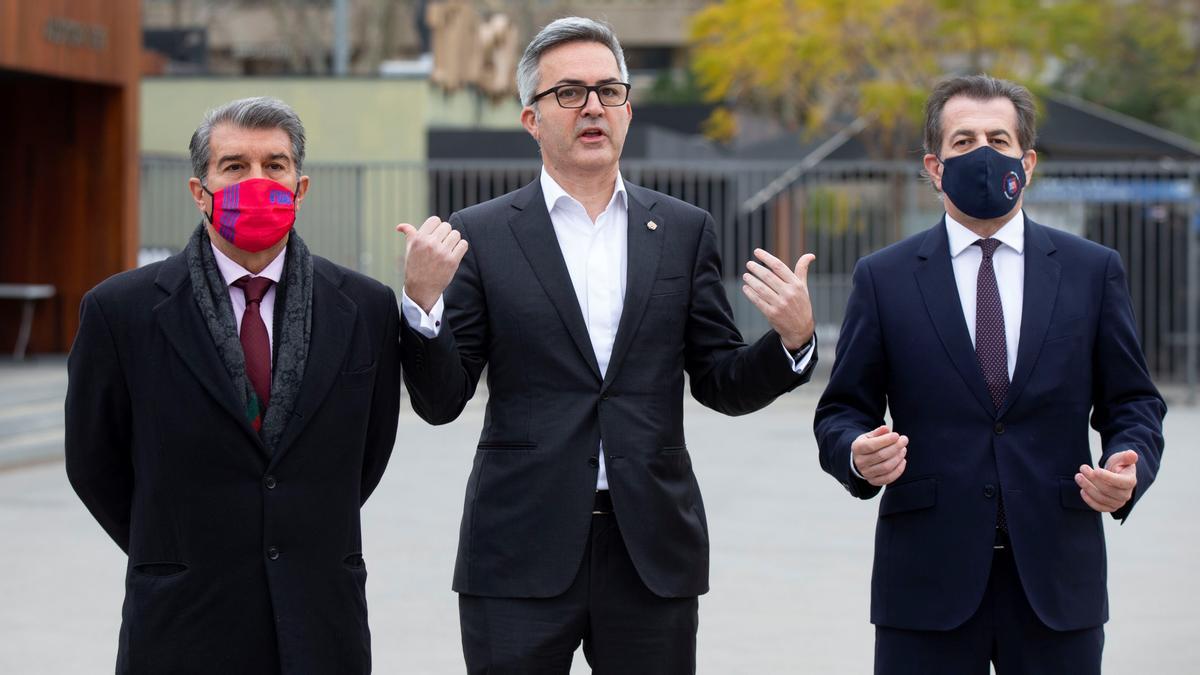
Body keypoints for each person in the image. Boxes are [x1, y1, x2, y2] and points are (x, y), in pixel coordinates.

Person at [397, 16, 818, 674]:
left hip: (649, 549)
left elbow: (719, 379)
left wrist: (791, 341)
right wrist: (424, 305)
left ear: (627, 109)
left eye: (608, 90)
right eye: (568, 93)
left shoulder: (682, 230)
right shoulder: (482, 234)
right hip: (517, 550)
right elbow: (442, 399)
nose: (592, 106)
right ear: (531, 118)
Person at [814, 74, 1166, 674]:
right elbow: (842, 410)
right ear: (933, 165)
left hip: (1057, 580)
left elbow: (1132, 402)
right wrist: (856, 452)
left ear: (1027, 162)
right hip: (925, 583)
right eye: (964, 141)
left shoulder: (1091, 271)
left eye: (999, 140)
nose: (984, 154)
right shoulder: (885, 277)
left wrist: (1127, 461)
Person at [65, 96, 402, 673]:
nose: (257, 180)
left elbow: (366, 455)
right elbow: (94, 463)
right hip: (182, 621)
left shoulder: (365, 307)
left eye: (275, 166)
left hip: (320, 624)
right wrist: (171, 547)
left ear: (300, 187)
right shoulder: (120, 311)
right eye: (234, 166)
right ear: (200, 191)